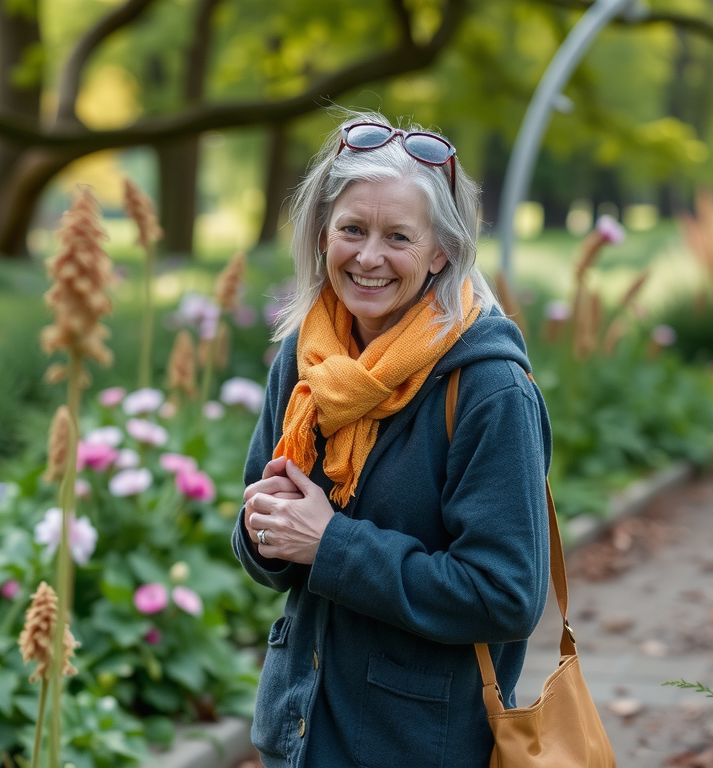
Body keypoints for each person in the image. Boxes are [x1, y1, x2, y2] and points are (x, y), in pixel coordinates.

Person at [232, 111, 553, 768]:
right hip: (297, 732)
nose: (368, 256)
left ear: (440, 251)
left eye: (398, 236)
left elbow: (507, 594)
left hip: (413, 746)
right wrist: (265, 530)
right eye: (352, 229)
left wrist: (331, 544)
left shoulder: (488, 388)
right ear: (324, 235)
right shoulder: (306, 361)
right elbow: (267, 548)